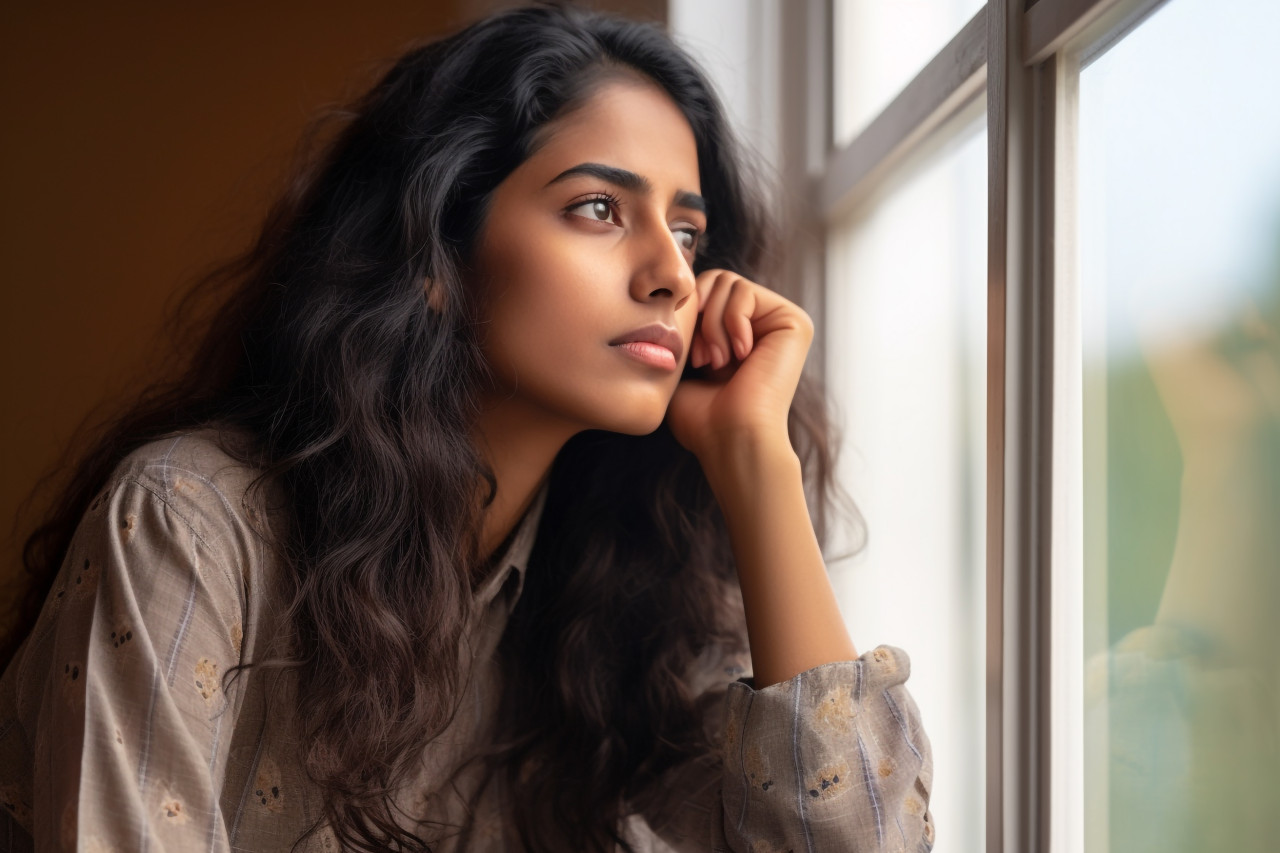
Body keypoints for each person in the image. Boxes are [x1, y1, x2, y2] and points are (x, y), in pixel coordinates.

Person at [0, 4, 935, 851]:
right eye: (599, 209)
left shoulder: (620, 590)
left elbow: (855, 841)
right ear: (435, 255)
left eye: (688, 233)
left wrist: (754, 461)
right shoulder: (191, 525)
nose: (672, 276)